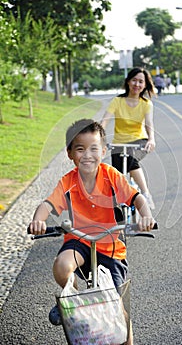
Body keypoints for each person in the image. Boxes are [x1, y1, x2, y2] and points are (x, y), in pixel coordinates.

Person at [29, 119, 155, 343]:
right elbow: (48, 205)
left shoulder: (111, 175)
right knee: (61, 266)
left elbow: (136, 197)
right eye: (80, 149)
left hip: (111, 245)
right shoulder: (67, 181)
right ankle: (75, 298)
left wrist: (146, 215)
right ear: (70, 153)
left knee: (118, 304)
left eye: (94, 148)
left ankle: (128, 341)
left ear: (104, 151)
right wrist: (38, 220)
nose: (87, 154)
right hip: (79, 241)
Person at [101, 67, 156, 210]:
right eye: (134, 80)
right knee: (116, 177)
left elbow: (149, 123)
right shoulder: (117, 101)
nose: (137, 84)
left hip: (139, 141)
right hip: (118, 143)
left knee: (131, 161)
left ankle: (145, 194)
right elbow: (105, 120)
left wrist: (151, 139)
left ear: (145, 85)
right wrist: (99, 138)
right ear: (128, 82)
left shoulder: (146, 104)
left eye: (141, 82)